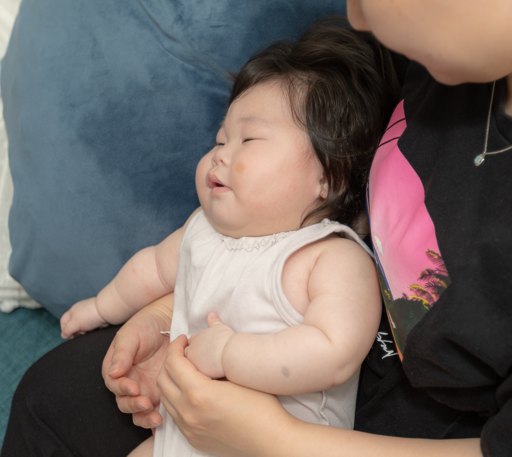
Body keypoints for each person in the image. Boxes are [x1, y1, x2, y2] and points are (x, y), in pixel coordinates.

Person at [2, 1, 512, 456]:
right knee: (52, 399)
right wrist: (182, 312)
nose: (355, 15)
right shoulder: (453, 45)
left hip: (413, 427)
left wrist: (274, 440)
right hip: (275, 327)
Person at [56, 20, 398, 457]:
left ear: (329, 176)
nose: (220, 154)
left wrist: (231, 354)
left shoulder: (330, 257)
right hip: (183, 435)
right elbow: (152, 268)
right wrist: (100, 308)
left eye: (248, 139)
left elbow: (334, 353)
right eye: (220, 139)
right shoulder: (202, 230)